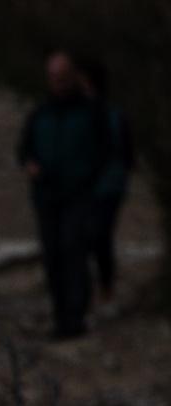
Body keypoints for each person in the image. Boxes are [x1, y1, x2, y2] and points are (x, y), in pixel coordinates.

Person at [17, 50, 109, 339]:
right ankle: (60, 317)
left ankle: (75, 317)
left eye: (64, 77)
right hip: (46, 197)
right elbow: (23, 149)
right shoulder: (39, 113)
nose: (59, 83)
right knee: (53, 255)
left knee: (73, 251)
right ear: (48, 79)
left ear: (73, 78)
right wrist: (29, 165)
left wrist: (93, 182)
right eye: (54, 78)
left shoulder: (91, 111)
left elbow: (106, 151)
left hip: (78, 196)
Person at [81, 57, 137, 305]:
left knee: (99, 235)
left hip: (108, 185)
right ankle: (94, 286)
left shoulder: (109, 116)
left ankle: (104, 285)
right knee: (90, 236)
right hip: (92, 185)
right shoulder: (83, 113)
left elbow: (127, 154)